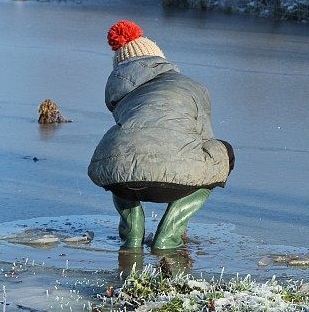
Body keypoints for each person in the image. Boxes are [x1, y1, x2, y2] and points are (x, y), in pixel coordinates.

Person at [88, 20, 234, 251]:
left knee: (122, 156)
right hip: (178, 178)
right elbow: (205, 139)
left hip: (120, 178)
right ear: (159, 60)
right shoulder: (192, 86)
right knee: (222, 153)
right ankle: (169, 236)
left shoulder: (119, 94)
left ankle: (132, 236)